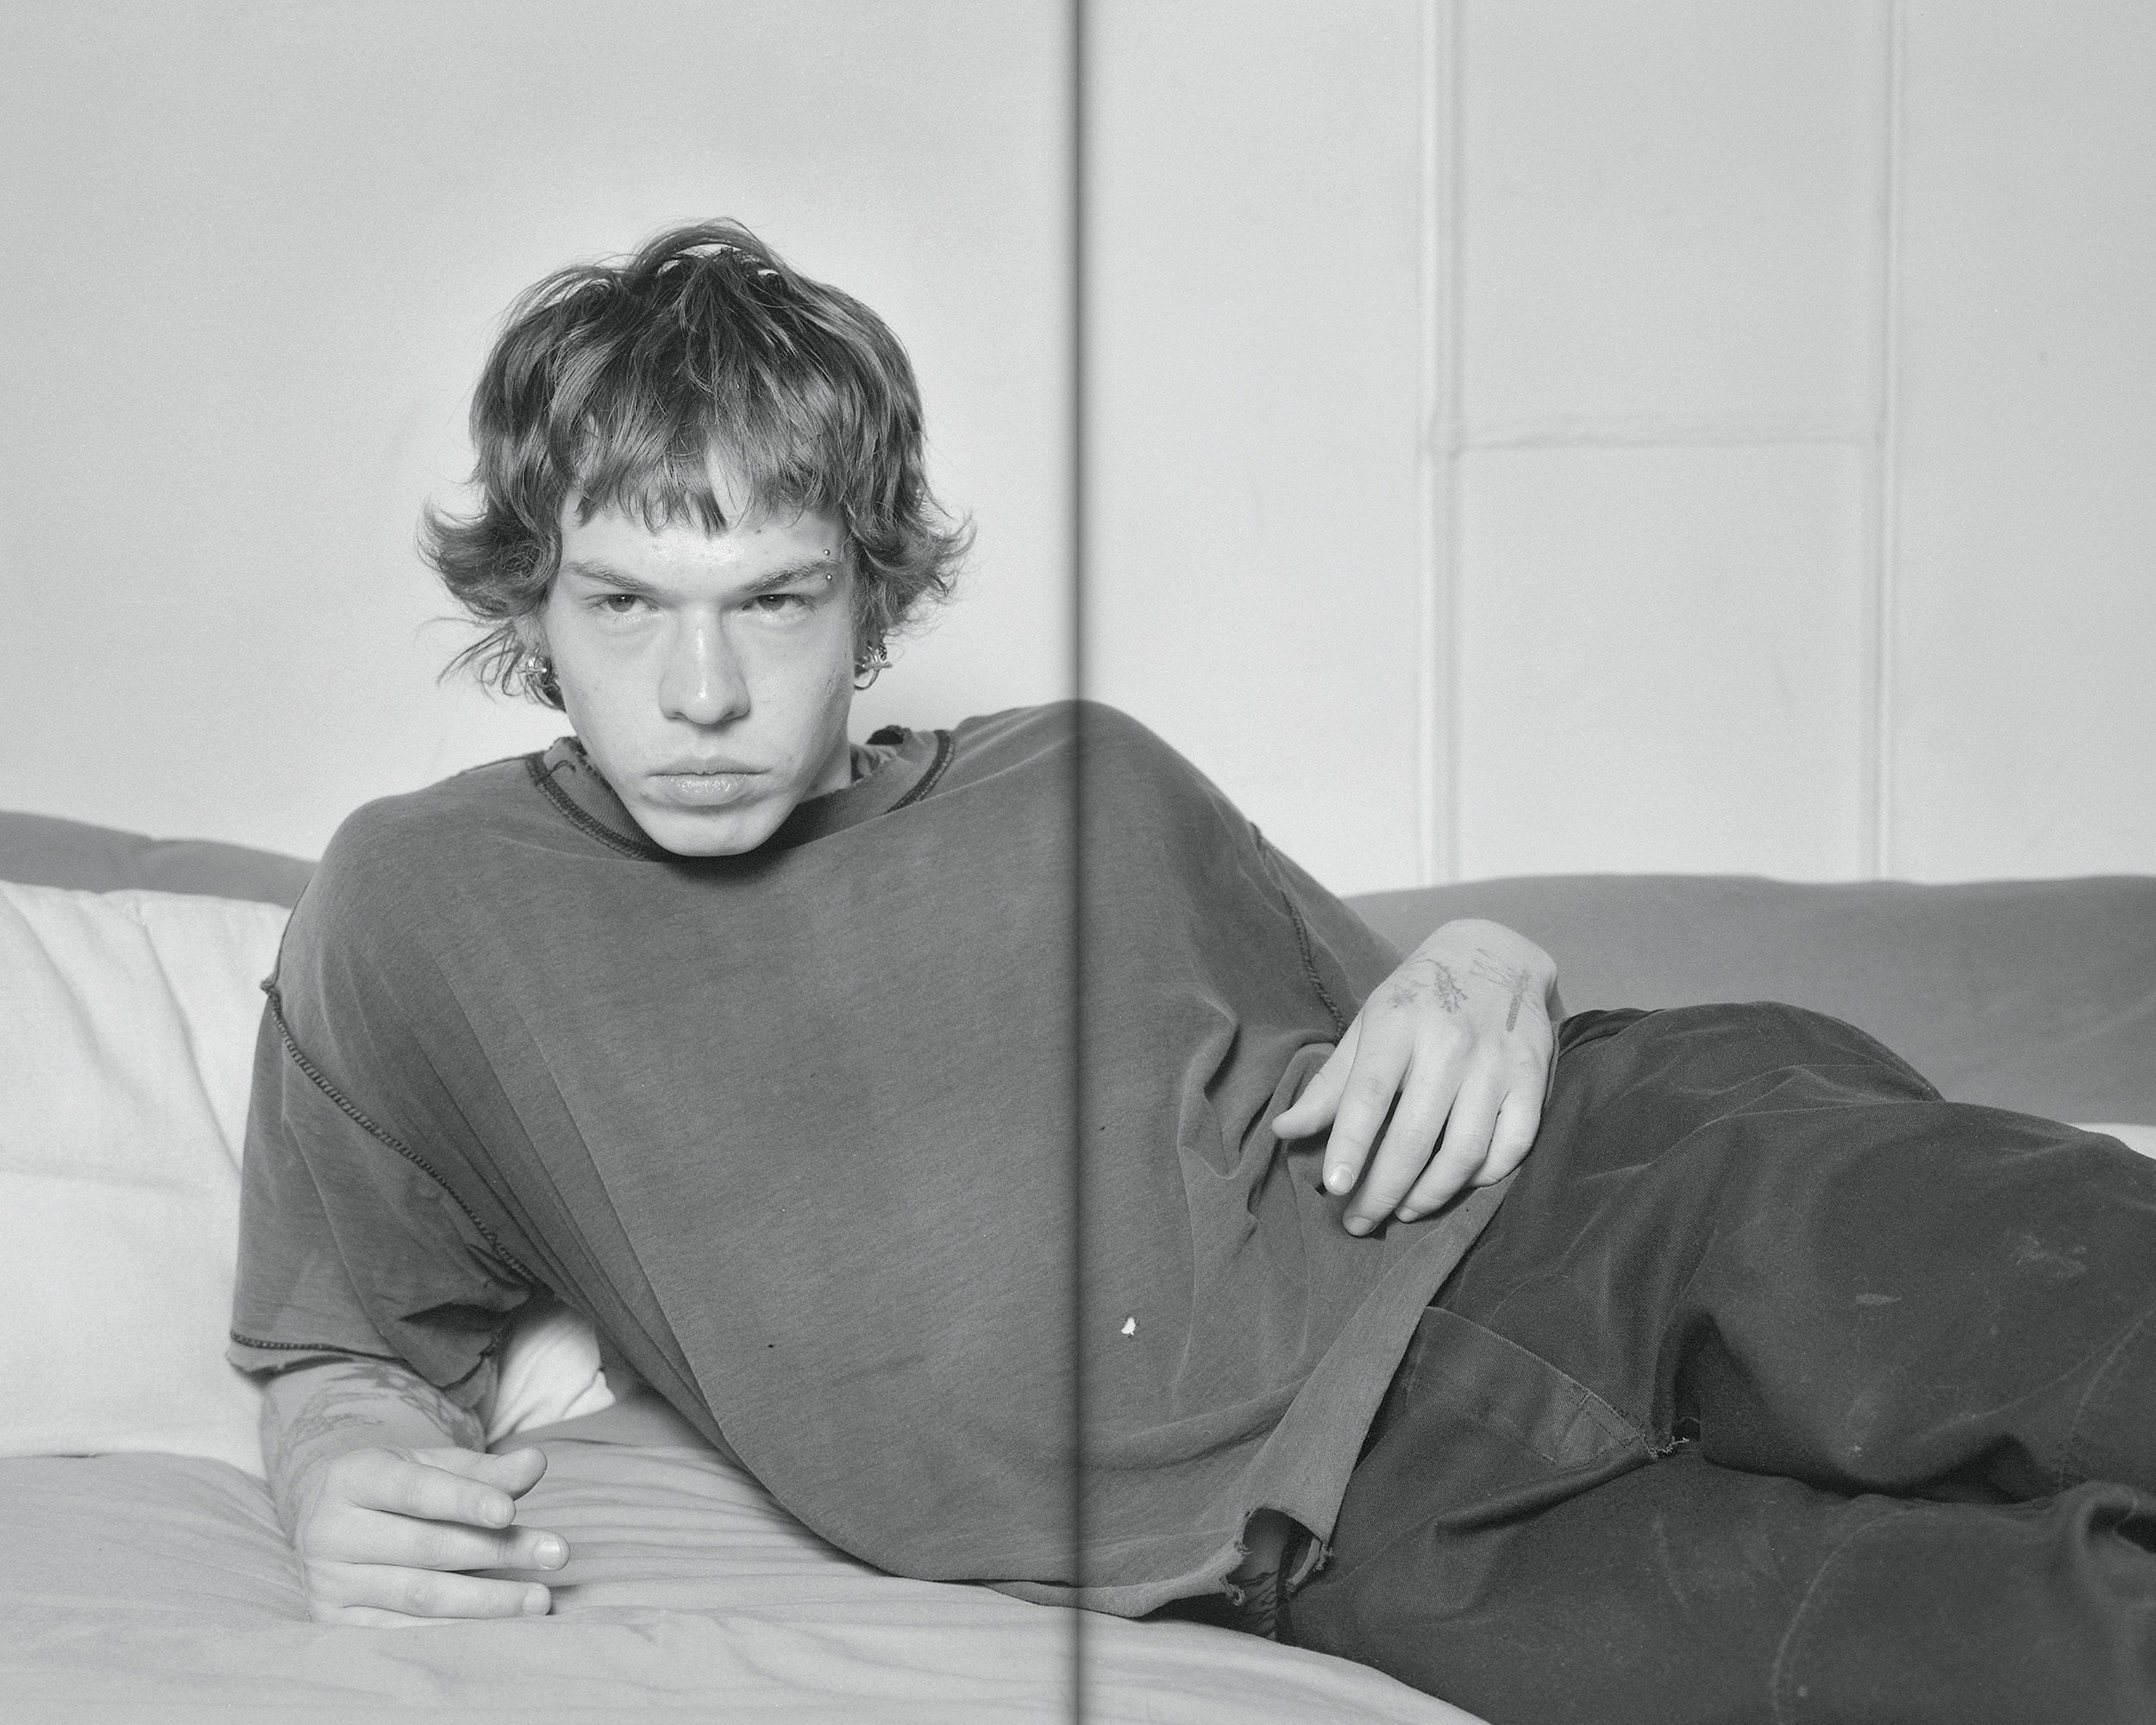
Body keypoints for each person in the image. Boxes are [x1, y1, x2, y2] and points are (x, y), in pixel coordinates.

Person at [230, 223, 2156, 1723]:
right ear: (532, 603)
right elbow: (338, 1335)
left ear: (872, 594)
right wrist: (334, 1461)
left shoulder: (1084, 779)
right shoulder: (419, 912)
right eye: (626, 605)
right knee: (2055, 1666)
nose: (705, 690)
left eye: (775, 599)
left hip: (1601, 1199)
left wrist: (1486, 957)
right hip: (1346, 1535)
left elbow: (1441, 1036)